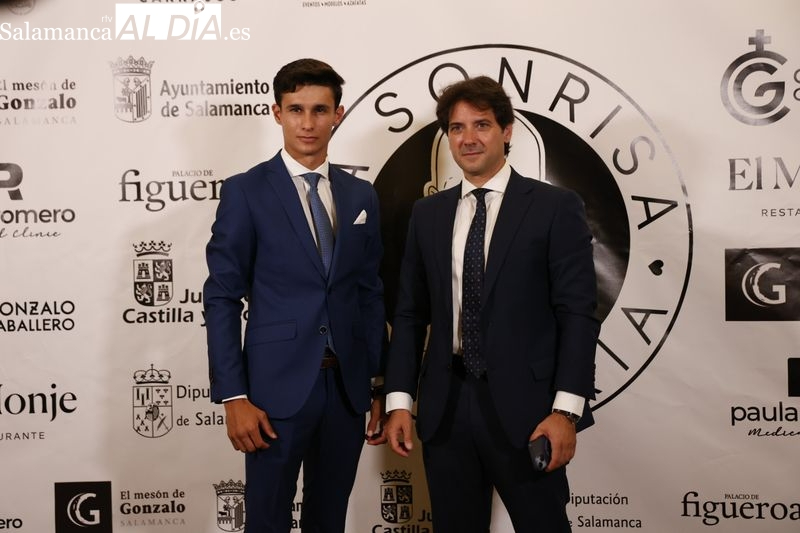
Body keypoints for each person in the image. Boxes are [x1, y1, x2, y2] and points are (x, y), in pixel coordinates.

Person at [383, 76, 599, 532]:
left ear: (507, 130)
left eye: (481, 124)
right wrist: (399, 400)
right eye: (457, 128)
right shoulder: (428, 214)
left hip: (531, 410)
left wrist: (566, 412)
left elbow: (578, 315)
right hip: (445, 407)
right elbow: (409, 313)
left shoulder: (555, 207)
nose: (469, 138)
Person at [203, 58, 386, 533]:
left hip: (346, 391)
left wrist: (378, 383)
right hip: (272, 393)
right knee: (267, 521)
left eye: (320, 110)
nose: (308, 123)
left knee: (329, 520)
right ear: (276, 113)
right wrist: (234, 395)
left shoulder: (360, 195)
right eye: (296, 109)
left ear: (338, 114)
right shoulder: (246, 191)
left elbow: (369, 292)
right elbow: (222, 295)